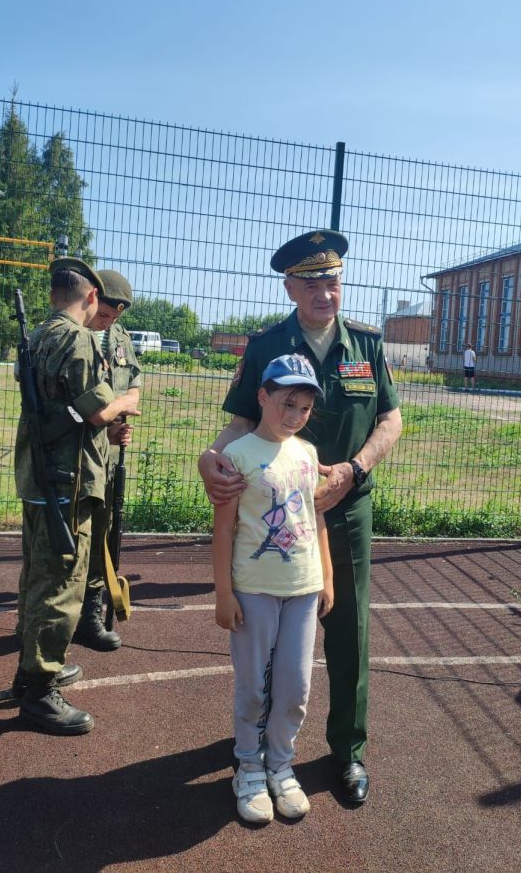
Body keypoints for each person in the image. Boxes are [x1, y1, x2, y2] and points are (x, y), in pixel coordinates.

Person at [199, 229, 402, 804]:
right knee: (266, 637)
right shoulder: (265, 345)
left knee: (348, 629)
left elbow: (392, 421)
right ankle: (256, 746)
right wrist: (208, 459)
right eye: (311, 282)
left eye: (332, 280)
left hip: (348, 508)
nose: (324, 292)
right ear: (290, 286)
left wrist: (354, 471)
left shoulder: (367, 344)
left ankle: (347, 751)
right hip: (275, 516)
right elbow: (239, 425)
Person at [13, 258, 140, 735]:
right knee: (62, 578)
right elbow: (99, 410)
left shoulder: (37, 336)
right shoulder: (79, 338)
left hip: (40, 474)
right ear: (91, 296)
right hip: (68, 479)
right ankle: (40, 687)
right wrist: (126, 403)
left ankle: (33, 665)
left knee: (37, 573)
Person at [212, 354, 333, 823]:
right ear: (262, 397)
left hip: (303, 589)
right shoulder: (237, 455)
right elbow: (223, 531)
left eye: (304, 407)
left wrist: (326, 576)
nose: (295, 415)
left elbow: (315, 514)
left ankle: (281, 766)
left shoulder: (307, 453)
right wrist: (224, 593)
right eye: (287, 402)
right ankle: (248, 767)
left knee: (295, 687)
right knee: (252, 687)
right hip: (254, 590)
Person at [73, 270, 141, 651]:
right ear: (93, 299)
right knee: (67, 542)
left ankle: (89, 616)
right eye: (106, 316)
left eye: (115, 318)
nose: (109, 322)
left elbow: (134, 381)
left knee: (103, 531)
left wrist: (121, 415)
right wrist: (107, 419)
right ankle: (43, 624)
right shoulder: (73, 337)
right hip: (74, 453)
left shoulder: (119, 339)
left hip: (109, 453)